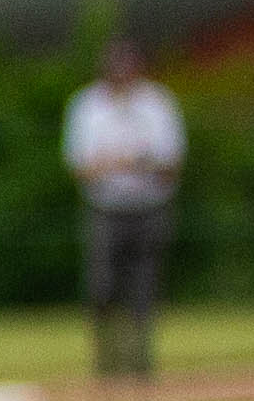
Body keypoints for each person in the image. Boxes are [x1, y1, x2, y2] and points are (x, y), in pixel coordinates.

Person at [64, 31, 184, 382]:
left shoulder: (158, 104)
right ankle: (107, 361)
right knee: (102, 286)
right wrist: (124, 162)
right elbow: (81, 167)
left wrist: (131, 162)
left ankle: (140, 363)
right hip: (106, 209)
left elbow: (170, 164)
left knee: (143, 286)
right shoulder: (86, 106)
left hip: (149, 207)